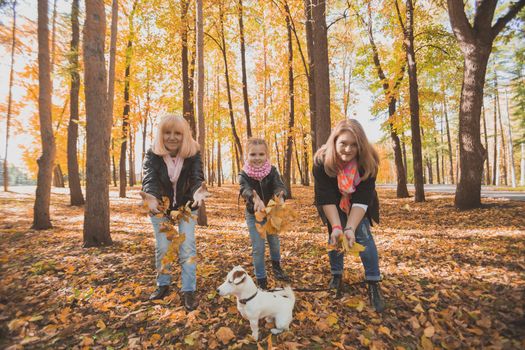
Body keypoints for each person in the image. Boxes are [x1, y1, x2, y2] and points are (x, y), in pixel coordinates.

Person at [312, 119, 385, 312]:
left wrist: (350, 227)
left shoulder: (369, 162)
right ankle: (337, 275)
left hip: (358, 202)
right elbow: (325, 197)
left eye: (354, 144)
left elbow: (363, 198)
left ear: (360, 145)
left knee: (363, 236)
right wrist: (337, 226)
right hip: (332, 202)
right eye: (343, 143)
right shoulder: (321, 161)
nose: (348, 149)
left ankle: (373, 282)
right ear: (334, 141)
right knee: (335, 237)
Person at [141, 114, 205, 311]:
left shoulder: (193, 153)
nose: (172, 137)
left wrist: (197, 192)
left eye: (177, 133)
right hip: (160, 207)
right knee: (163, 247)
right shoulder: (152, 154)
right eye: (167, 133)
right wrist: (151, 197)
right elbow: (149, 178)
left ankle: (188, 290)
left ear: (184, 135)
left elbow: (196, 178)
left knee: (187, 246)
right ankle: (163, 284)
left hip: (186, 206)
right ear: (161, 134)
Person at [238, 138, 290, 290]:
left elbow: (279, 185)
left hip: (271, 213)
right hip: (254, 215)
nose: (257, 158)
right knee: (258, 247)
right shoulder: (243, 174)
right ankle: (261, 279)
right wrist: (253, 198)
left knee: (274, 242)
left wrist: (280, 195)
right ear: (247, 156)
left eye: (261, 154)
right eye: (253, 154)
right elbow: (244, 189)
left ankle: (277, 268)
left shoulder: (272, 171)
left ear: (266, 155)